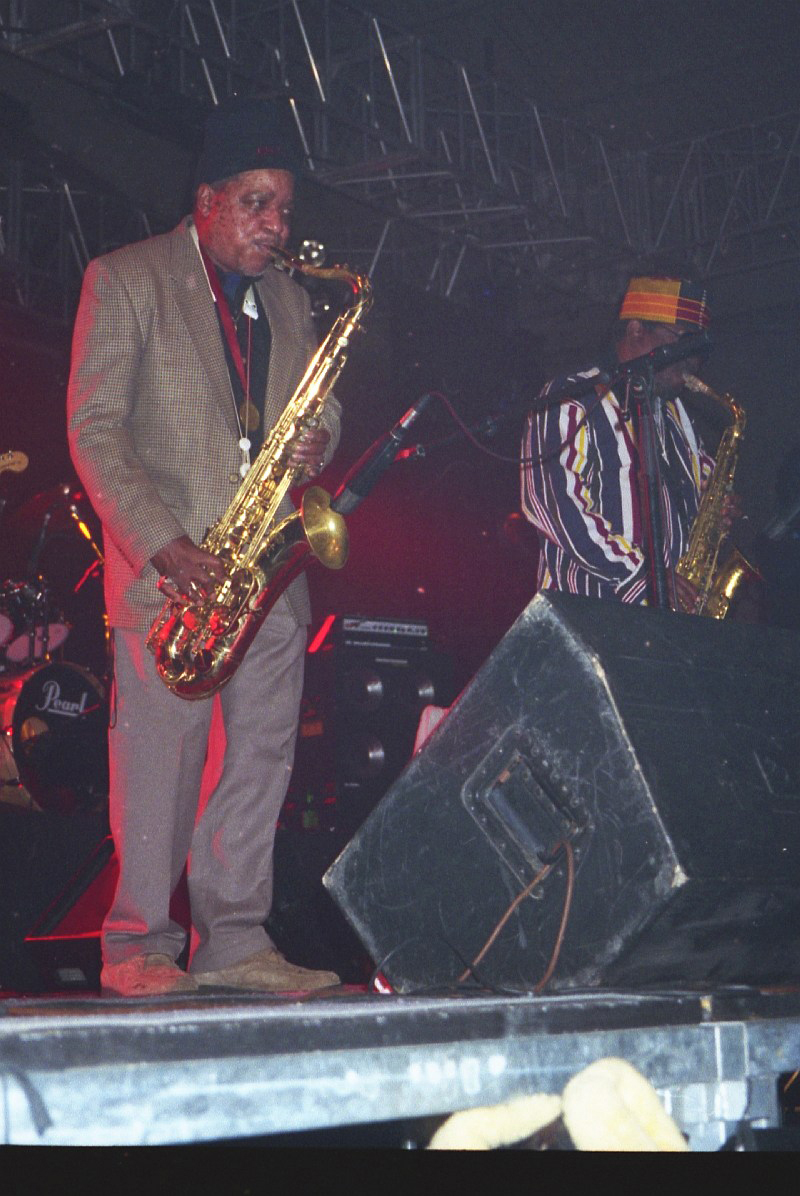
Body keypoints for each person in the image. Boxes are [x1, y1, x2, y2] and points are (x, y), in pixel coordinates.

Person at [67, 97, 342, 997]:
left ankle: (233, 940)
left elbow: (321, 407)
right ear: (207, 201)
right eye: (258, 204)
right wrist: (163, 545)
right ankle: (137, 947)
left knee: (260, 758)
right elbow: (95, 431)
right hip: (174, 571)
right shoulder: (126, 278)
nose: (278, 225)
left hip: (266, 569)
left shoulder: (292, 301)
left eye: (286, 209)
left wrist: (319, 440)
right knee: (160, 760)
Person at [521, 275, 723, 613]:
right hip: (591, 615)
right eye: (683, 344)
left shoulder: (677, 414)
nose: (692, 361)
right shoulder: (573, 397)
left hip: (667, 619)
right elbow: (553, 503)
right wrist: (646, 576)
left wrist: (716, 506)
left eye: (698, 350)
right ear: (636, 331)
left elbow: (701, 487)